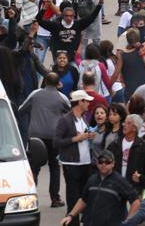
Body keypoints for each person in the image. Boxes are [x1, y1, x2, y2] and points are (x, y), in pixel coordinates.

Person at [61, 149, 138, 226]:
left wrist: (128, 222)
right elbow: (83, 200)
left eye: (107, 162)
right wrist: (70, 216)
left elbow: (135, 201)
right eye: (101, 162)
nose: (103, 164)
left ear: (113, 164)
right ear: (97, 164)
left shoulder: (120, 181)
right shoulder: (91, 180)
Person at [55, 90, 98, 218]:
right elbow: (56, 141)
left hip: (85, 163)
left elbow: (83, 136)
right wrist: (76, 138)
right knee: (73, 199)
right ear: (80, 102)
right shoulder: (65, 120)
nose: (89, 104)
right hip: (71, 164)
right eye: (87, 101)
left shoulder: (84, 118)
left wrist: (89, 136)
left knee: (84, 197)